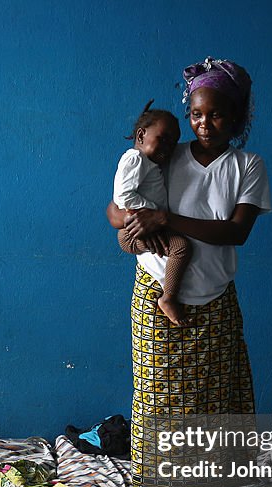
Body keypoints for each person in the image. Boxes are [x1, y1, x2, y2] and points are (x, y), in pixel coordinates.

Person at [105, 58, 272, 487]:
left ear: (235, 117)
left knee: (213, 398)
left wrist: (166, 219)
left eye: (216, 114)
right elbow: (114, 210)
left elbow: (235, 232)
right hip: (155, 289)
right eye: (197, 114)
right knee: (156, 394)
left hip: (215, 295)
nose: (204, 123)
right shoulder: (167, 153)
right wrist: (134, 222)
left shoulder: (247, 166)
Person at [112, 102, 189, 327]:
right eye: (163, 138)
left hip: (139, 228)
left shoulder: (148, 162)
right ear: (141, 134)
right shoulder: (134, 159)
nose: (168, 147)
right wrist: (155, 214)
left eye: (173, 143)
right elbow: (123, 197)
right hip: (132, 232)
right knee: (181, 247)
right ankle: (168, 298)